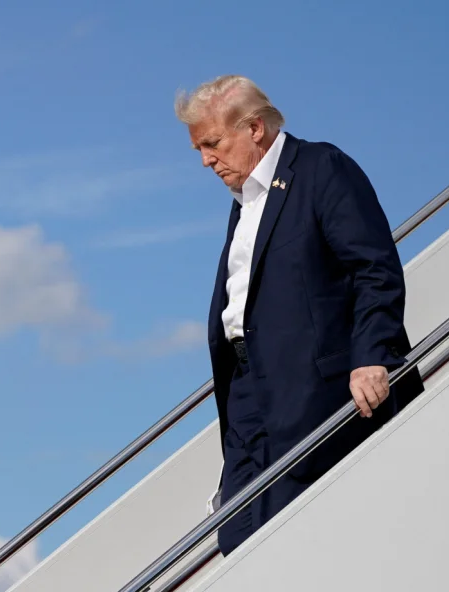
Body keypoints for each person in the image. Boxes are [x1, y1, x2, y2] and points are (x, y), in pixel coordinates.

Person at [176, 75, 425, 556]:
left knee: (304, 547)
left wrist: (373, 355)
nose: (206, 160)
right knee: (241, 541)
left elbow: (374, 267)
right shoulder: (244, 203)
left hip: (317, 394)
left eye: (212, 144)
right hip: (249, 397)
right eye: (199, 150)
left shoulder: (319, 168)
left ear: (253, 128)